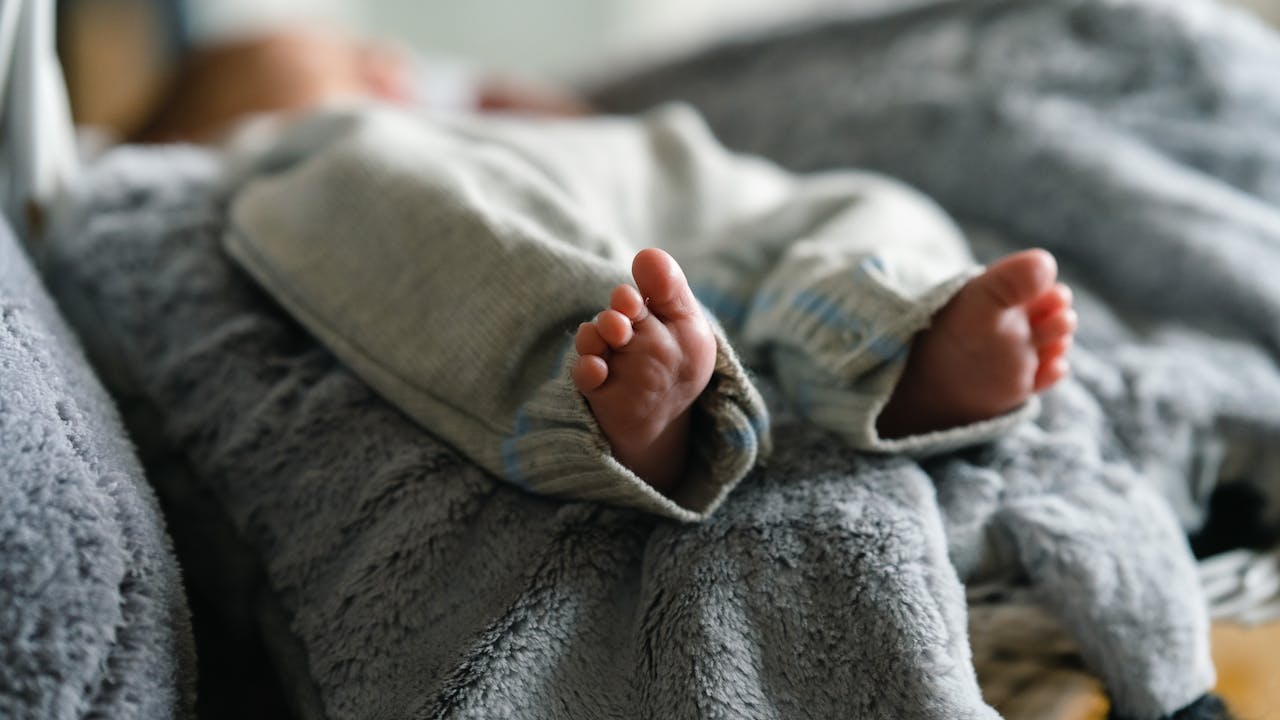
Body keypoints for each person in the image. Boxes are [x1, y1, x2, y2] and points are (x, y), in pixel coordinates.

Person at [223, 102, 1076, 522]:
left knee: (873, 203)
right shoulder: (319, 130)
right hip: (562, 241)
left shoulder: (490, 104)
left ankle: (898, 331)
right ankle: (622, 405)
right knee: (366, 186)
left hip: (693, 209)